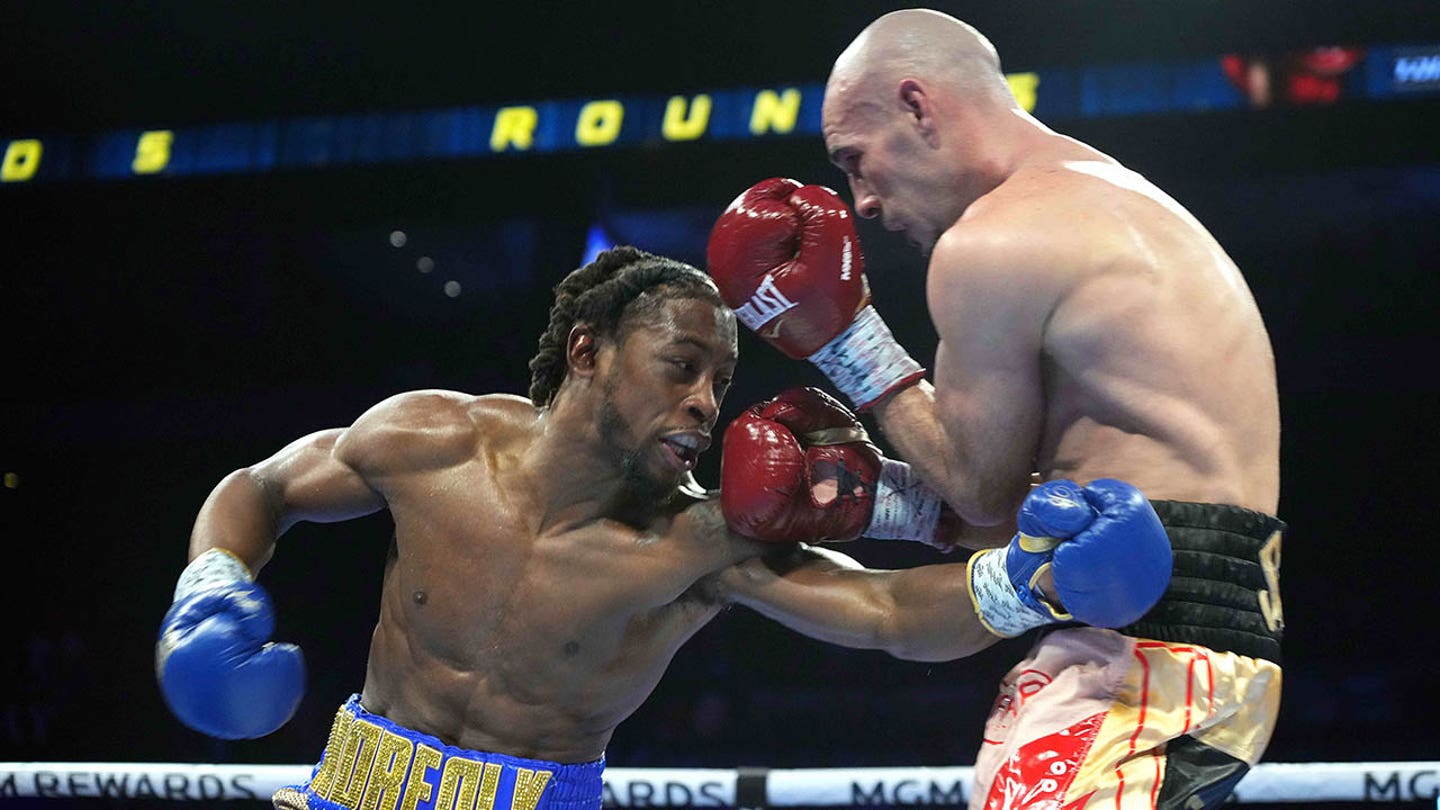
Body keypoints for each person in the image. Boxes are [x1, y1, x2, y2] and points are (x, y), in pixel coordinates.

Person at [154, 245, 1170, 810]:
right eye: (682, 368)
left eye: (720, 382)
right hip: (351, 791)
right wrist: (210, 584)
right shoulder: (432, 441)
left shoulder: (698, 541)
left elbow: (885, 612)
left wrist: (1029, 584)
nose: (705, 404)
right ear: (587, 351)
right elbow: (261, 487)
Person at [706, 8, 1284, 810]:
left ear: (917, 106)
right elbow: (1056, 509)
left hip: (1141, 656)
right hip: (1198, 639)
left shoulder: (995, 242)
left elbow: (980, 489)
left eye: (856, 159)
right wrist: (883, 501)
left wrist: (846, 341)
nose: (860, 200)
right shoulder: (1112, 199)